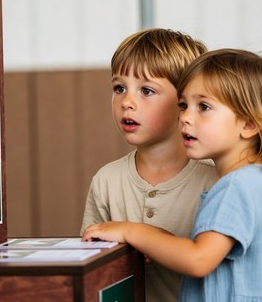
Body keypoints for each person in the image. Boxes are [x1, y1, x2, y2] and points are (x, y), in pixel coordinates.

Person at [83, 48, 262, 301]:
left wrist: (133, 231)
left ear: (248, 124)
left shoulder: (234, 187)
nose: (185, 117)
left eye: (203, 107)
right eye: (184, 105)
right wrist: (158, 239)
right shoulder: (261, 178)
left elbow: (199, 259)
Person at [80, 29, 219, 302]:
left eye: (146, 90)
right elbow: (93, 266)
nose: (127, 102)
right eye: (119, 88)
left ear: (184, 102)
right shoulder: (106, 180)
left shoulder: (215, 181)